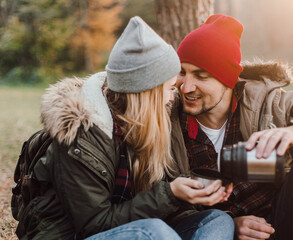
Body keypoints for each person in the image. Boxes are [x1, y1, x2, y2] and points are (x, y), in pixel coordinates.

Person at [15, 16, 235, 240]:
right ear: (147, 93)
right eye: (170, 89)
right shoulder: (83, 137)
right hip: (75, 235)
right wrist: (169, 194)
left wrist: (185, 193)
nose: (173, 98)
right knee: (153, 233)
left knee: (216, 221)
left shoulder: (148, 124)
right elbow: (95, 224)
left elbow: (154, 205)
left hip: (134, 229)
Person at [172, 14, 293, 240]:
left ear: (228, 79)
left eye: (201, 76)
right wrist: (232, 225)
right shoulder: (168, 120)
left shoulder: (272, 102)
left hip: (285, 223)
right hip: (215, 231)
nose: (186, 87)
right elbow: (163, 203)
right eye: (182, 72)